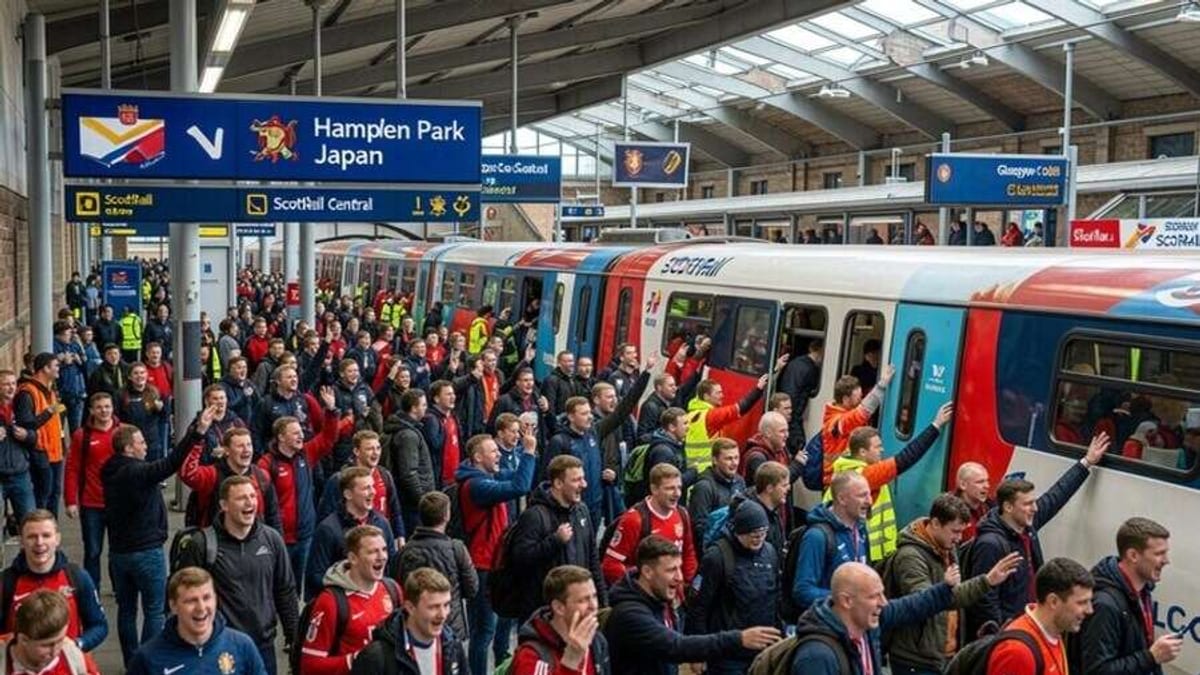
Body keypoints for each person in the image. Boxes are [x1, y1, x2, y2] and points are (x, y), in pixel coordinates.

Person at [965, 433, 1109, 640]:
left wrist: (1086, 463)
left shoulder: (1026, 526)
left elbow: (1056, 496)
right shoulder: (991, 544)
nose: (1035, 508)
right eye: (1028, 504)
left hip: (1027, 626)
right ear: (1007, 507)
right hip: (1009, 634)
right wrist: (1001, 636)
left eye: (1034, 502)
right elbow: (984, 599)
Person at [102, 409, 215, 666]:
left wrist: (194, 427)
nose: (146, 446)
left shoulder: (109, 471)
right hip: (146, 551)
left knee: (126, 609)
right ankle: (147, 661)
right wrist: (197, 433)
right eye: (141, 442)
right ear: (129, 448)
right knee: (154, 609)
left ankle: (131, 659)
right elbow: (171, 463)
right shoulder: (137, 473)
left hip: (118, 552)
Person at [604, 535, 781, 675]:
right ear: (647, 572)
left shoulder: (660, 600)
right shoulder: (630, 614)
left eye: (679, 568)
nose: (679, 577)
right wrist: (739, 639)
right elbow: (676, 646)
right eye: (671, 570)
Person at [174, 475, 298, 674]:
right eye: (241, 498)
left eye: (253, 496)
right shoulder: (202, 544)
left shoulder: (272, 540)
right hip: (220, 649)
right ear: (224, 504)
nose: (250, 502)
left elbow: (285, 590)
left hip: (263, 647)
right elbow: (184, 598)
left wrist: (294, 639)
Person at [886, 494, 1022, 674]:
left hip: (944, 656)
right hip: (917, 660)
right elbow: (926, 602)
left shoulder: (948, 548)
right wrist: (986, 581)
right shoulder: (910, 556)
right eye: (955, 531)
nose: (959, 538)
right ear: (935, 523)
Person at [823, 403, 953, 562]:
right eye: (877, 447)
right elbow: (906, 458)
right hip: (869, 553)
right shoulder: (867, 475)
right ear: (863, 452)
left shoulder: (847, 467)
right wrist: (936, 426)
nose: (882, 450)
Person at [456, 431, 537, 675]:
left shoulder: (487, 476)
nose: (498, 455)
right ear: (478, 457)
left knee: (498, 624)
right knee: (483, 632)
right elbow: (520, 486)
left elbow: (522, 476)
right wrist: (529, 452)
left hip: (494, 562)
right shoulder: (477, 485)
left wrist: (528, 456)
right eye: (493, 451)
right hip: (482, 566)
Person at [786, 561, 957, 675]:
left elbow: (909, 607)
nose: (883, 602)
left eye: (882, 593)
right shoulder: (817, 657)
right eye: (874, 596)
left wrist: (944, 589)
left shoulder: (867, 623)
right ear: (847, 601)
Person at [259, 388, 342, 593]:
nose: (301, 436)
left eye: (301, 432)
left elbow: (328, 439)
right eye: (295, 433)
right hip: (279, 540)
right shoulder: (266, 464)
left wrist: (331, 410)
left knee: (298, 589)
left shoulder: (305, 454)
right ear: (281, 437)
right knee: (278, 588)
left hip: (305, 536)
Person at [508, 454, 605, 622]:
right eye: (577, 480)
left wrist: (603, 603)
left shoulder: (581, 510)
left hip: (579, 610)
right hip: (545, 615)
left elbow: (593, 560)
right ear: (558, 483)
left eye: (583, 479)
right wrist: (554, 541)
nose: (584, 484)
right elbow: (520, 560)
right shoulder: (534, 516)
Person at [1078, 517, 1182, 674]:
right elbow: (1097, 671)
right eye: (1159, 554)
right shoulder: (1105, 606)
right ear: (1133, 555)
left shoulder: (1143, 590)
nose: (1166, 561)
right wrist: (1151, 657)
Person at [687, 500, 780, 675]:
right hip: (728, 655)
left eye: (763, 532)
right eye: (754, 534)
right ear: (739, 532)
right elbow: (698, 606)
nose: (759, 538)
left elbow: (775, 598)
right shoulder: (717, 557)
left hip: (763, 650)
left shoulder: (770, 553)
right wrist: (697, 652)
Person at [0, 510, 107, 652]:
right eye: (32, 536)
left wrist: (78, 644)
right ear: (21, 541)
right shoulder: (6, 582)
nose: (39, 542)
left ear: (57, 539)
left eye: (46, 536)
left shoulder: (77, 577)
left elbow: (99, 625)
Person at [127, 567, 267, 675]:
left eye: (207, 598)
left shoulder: (242, 646)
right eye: (191, 601)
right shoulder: (148, 658)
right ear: (174, 606)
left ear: (216, 599)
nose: (201, 608)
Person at [302, 525, 402, 675]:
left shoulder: (393, 590)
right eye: (373, 551)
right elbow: (309, 665)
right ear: (353, 558)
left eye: (384, 549)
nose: (382, 556)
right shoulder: (330, 602)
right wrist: (355, 660)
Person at [602, 463, 697, 600]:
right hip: (644, 599)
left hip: (673, 599)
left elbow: (688, 552)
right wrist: (641, 588)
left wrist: (686, 584)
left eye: (679, 488)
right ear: (654, 489)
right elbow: (610, 565)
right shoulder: (635, 520)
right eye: (670, 488)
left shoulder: (682, 514)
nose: (677, 494)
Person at [394, 492, 478, 645]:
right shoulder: (456, 548)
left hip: (415, 627)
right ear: (447, 515)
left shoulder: (404, 552)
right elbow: (472, 588)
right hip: (451, 627)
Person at [349, 567, 469, 675]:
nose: (443, 615)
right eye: (433, 607)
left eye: (446, 605)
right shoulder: (376, 657)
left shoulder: (453, 646)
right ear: (410, 607)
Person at [985, 558, 1095, 674]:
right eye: (1082, 602)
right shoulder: (1017, 652)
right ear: (1053, 601)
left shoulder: (1055, 633)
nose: (1090, 610)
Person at [792, 471, 872, 611]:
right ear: (842, 499)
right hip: (827, 626)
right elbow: (803, 592)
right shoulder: (817, 537)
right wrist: (847, 600)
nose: (869, 501)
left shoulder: (860, 530)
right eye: (862, 495)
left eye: (869, 494)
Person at [63, 392, 119, 590]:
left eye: (107, 406)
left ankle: (119, 588)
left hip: (118, 503)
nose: (104, 411)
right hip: (91, 504)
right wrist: (70, 500)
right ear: (92, 411)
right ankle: (91, 591)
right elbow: (72, 469)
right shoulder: (81, 436)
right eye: (99, 407)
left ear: (113, 408)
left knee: (118, 550)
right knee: (93, 551)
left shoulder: (123, 432)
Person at [511, 564, 610, 675]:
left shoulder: (597, 641)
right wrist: (570, 662)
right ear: (559, 608)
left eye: (594, 596)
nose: (593, 605)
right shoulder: (532, 656)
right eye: (583, 600)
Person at [180, 426, 283, 532]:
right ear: (227, 450)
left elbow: (273, 516)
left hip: (254, 543)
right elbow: (186, 473)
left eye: (249, 445)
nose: (246, 450)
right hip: (217, 543)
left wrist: (276, 543)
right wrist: (198, 436)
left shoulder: (262, 477)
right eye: (240, 446)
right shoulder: (211, 475)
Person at [318, 430, 405, 551]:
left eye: (378, 448)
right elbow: (326, 514)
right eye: (370, 449)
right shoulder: (340, 480)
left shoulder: (385, 475)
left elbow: (395, 509)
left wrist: (400, 535)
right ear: (356, 451)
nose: (376, 453)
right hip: (352, 542)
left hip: (381, 539)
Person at [683, 371, 769, 474]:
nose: (722, 395)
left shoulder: (691, 415)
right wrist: (758, 389)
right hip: (707, 471)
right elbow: (740, 409)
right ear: (706, 396)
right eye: (718, 393)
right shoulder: (711, 416)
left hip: (693, 470)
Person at [819, 370, 894, 485]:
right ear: (845, 399)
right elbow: (861, 414)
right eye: (858, 397)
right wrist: (881, 386)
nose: (861, 400)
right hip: (836, 480)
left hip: (846, 476)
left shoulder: (839, 415)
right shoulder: (836, 423)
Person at [0, 589, 99, 675]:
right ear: (23, 639)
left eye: (60, 640)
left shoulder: (72, 654)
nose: (55, 651)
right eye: (46, 645)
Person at [14, 353, 66, 516]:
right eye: (55, 366)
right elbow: (27, 424)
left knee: (54, 495)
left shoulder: (49, 390)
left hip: (54, 452)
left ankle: (51, 531)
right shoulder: (27, 393)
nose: (58, 369)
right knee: (43, 496)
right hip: (40, 452)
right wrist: (48, 412)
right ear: (45, 368)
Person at [687, 438, 746, 551]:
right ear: (715, 460)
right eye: (728, 459)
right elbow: (699, 529)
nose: (734, 463)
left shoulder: (740, 482)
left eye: (736, 458)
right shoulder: (704, 488)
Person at [627, 407, 690, 507]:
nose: (688, 427)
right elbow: (665, 483)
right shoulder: (662, 452)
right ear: (672, 427)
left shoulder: (675, 445)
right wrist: (692, 474)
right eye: (685, 423)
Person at [0, 369, 35, 526]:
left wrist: (27, 435)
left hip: (20, 473)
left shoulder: (21, 406)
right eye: (6, 384)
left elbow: (35, 435)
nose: (11, 388)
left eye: (13, 383)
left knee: (29, 522)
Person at [116, 363, 168, 461]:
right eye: (136, 373)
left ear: (147, 375)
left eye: (142, 372)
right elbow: (116, 419)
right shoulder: (121, 394)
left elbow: (164, 417)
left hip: (152, 443)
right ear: (129, 377)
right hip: (131, 444)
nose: (139, 376)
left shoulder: (154, 392)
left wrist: (161, 409)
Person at [777, 339, 823, 447]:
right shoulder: (810, 369)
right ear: (820, 351)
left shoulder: (796, 363)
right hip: (794, 416)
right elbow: (797, 398)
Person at [421, 380, 462, 489]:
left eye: (453, 393)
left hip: (455, 476)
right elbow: (434, 446)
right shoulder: (431, 419)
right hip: (440, 479)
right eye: (448, 394)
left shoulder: (453, 417)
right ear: (436, 398)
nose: (453, 397)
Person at [955, 461, 993, 542]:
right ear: (963, 485)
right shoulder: (950, 511)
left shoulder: (990, 508)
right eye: (980, 482)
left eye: (987, 481)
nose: (987, 486)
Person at [543, 351, 577, 417]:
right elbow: (550, 406)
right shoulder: (551, 380)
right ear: (559, 363)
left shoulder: (572, 379)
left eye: (572, 361)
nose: (572, 364)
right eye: (568, 361)